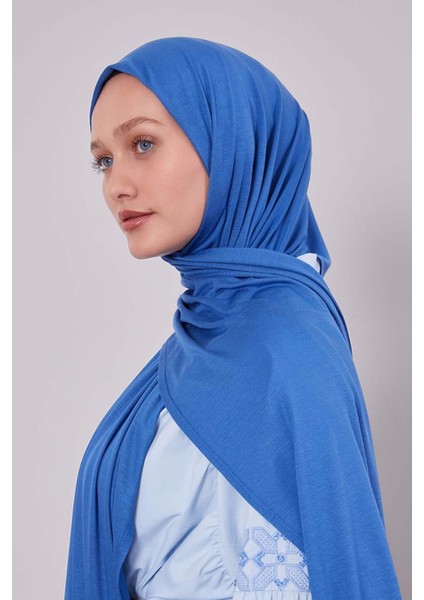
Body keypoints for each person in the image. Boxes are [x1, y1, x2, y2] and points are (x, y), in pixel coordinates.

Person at [64, 37, 402, 600]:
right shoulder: (206, 337)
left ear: (234, 147)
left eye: (143, 144)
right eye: (104, 160)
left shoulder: (283, 346)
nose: (116, 185)